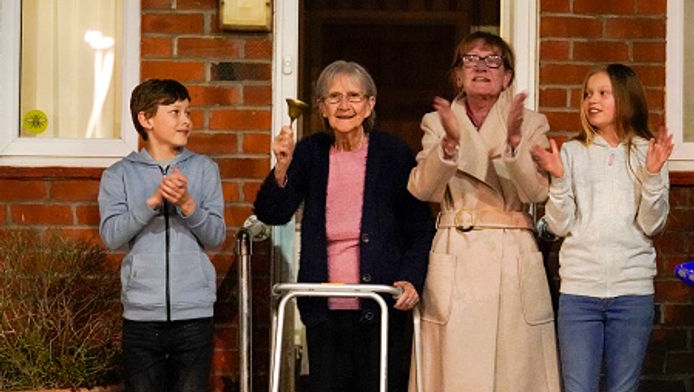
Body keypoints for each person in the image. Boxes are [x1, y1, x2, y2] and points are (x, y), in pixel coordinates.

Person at [253, 60, 434, 392]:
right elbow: (272, 213)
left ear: (370, 105)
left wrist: (410, 279)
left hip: (382, 309)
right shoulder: (310, 152)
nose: (344, 105)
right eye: (333, 97)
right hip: (325, 312)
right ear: (321, 107)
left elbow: (420, 228)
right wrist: (281, 167)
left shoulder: (393, 154)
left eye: (354, 96)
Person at [407, 31, 560, 392]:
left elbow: (537, 191)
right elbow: (422, 189)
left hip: (512, 254)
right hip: (456, 251)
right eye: (470, 60)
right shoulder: (436, 121)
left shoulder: (531, 122)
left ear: (507, 76)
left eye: (492, 61)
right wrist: (447, 148)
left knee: (515, 372)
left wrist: (514, 147)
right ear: (457, 75)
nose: (481, 67)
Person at [531, 64, 674, 392]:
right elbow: (558, 223)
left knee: (623, 388)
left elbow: (652, 225)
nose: (591, 101)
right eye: (587, 94)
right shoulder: (571, 151)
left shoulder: (647, 151)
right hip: (580, 292)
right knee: (578, 386)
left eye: (602, 93)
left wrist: (652, 175)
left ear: (625, 98)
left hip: (632, 291)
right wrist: (559, 179)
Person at [98, 79, 226, 392]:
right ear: (146, 119)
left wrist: (187, 204)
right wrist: (152, 203)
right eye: (175, 112)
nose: (186, 120)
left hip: (194, 315)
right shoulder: (119, 174)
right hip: (141, 317)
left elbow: (216, 236)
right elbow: (111, 237)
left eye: (188, 112)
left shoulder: (204, 169)